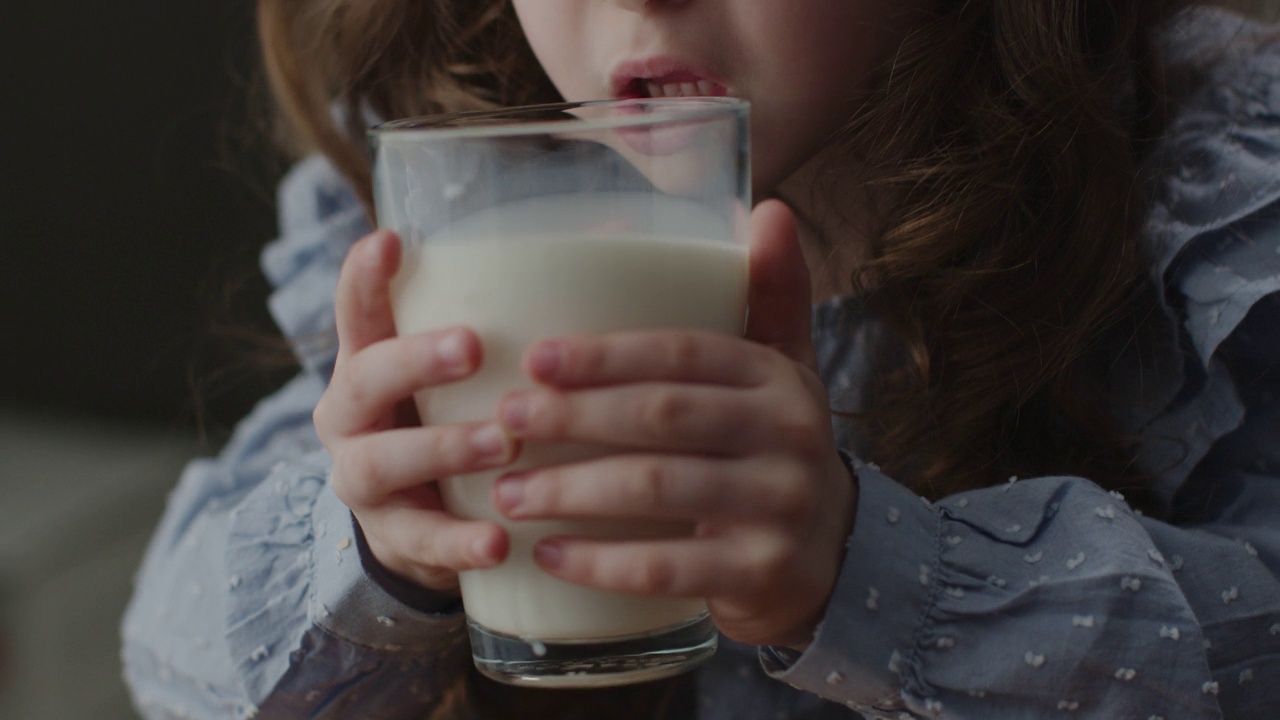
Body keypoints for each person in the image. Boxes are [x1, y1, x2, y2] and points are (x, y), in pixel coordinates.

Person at [122, 1, 1280, 718]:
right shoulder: (449, 196)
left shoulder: (1194, 190)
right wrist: (377, 547)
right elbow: (169, 659)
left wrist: (872, 577)